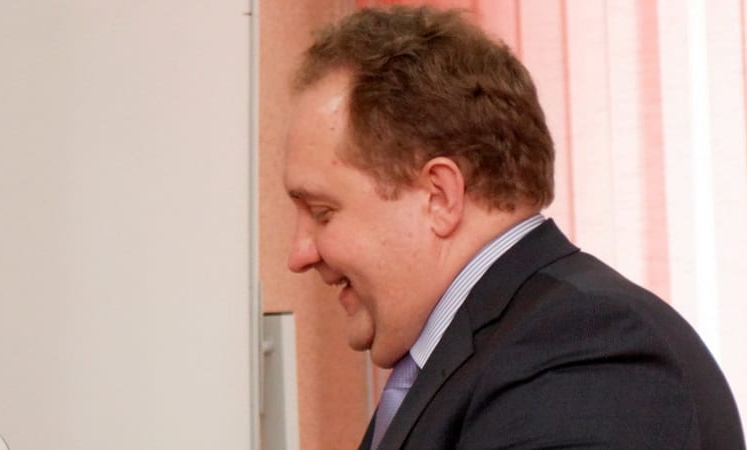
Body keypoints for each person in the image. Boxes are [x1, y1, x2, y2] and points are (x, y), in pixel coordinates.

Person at [283, 5, 744, 450]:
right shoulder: (494, 350)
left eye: (323, 212)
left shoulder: (582, 346)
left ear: (439, 197)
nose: (299, 254)